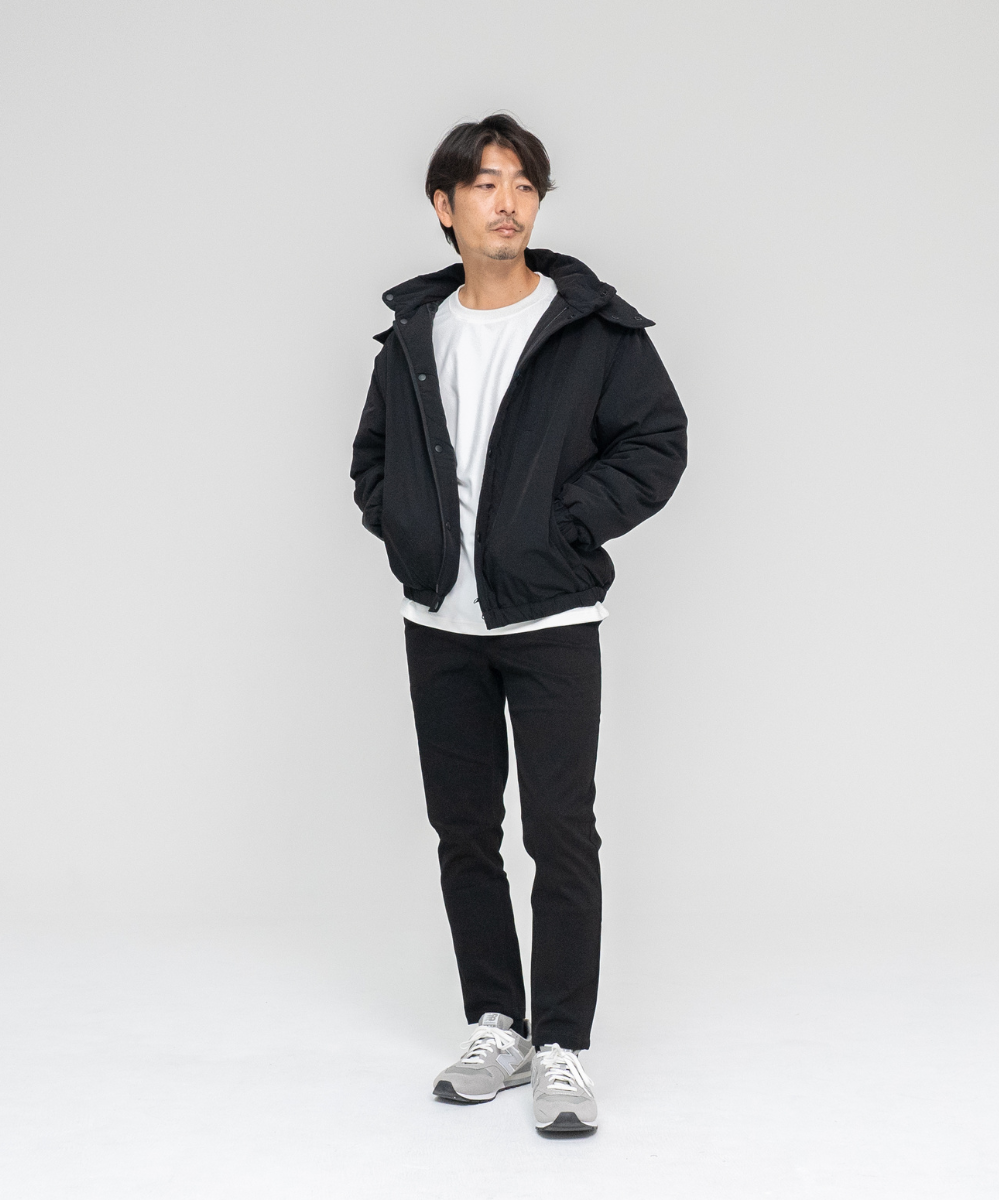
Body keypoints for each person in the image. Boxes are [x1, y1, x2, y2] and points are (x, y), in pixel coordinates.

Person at [350, 113, 687, 1134]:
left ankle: (562, 1048)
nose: (509, 202)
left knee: (559, 830)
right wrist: (410, 535)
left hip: (550, 615)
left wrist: (564, 525)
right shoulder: (415, 335)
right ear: (444, 206)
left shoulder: (592, 329)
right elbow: (372, 462)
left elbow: (657, 441)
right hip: (439, 622)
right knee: (464, 831)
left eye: (526, 185)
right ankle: (496, 1023)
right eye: (488, 184)